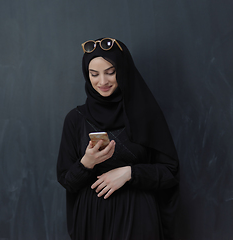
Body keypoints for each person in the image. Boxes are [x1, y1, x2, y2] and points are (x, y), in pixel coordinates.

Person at [57, 37, 179, 240]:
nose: (102, 82)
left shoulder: (146, 114)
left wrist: (130, 173)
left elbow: (170, 172)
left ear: (123, 70)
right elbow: (67, 181)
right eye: (94, 74)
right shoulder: (75, 119)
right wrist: (86, 163)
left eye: (110, 72)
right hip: (92, 219)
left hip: (138, 216)